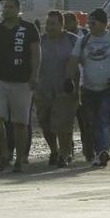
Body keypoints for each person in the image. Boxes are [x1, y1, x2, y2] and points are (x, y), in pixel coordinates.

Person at [0, 0, 41, 173]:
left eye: (11, 7)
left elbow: (35, 54)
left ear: (18, 10)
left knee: (20, 122)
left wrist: (34, 75)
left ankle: (20, 158)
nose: (6, 10)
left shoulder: (28, 28)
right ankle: (4, 152)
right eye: (5, 7)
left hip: (22, 81)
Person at [67, 8, 110, 168]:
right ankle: (95, 151)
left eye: (93, 22)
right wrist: (69, 79)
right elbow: (73, 61)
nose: (90, 25)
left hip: (109, 89)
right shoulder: (83, 41)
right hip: (88, 89)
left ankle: (102, 151)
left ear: (103, 23)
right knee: (90, 122)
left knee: (104, 118)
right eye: (89, 22)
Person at [36, 11, 80, 168]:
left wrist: (78, 87)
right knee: (45, 123)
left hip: (66, 90)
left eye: (53, 24)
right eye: (48, 24)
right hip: (43, 89)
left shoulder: (73, 41)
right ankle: (54, 150)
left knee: (63, 125)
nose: (49, 27)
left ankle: (64, 154)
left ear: (62, 25)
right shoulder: (40, 41)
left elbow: (83, 63)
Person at [65, 11, 93, 162]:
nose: (66, 27)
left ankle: (88, 148)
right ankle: (68, 148)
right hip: (69, 83)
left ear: (76, 23)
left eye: (69, 23)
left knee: (85, 120)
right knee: (67, 119)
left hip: (84, 83)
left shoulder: (84, 37)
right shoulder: (61, 39)